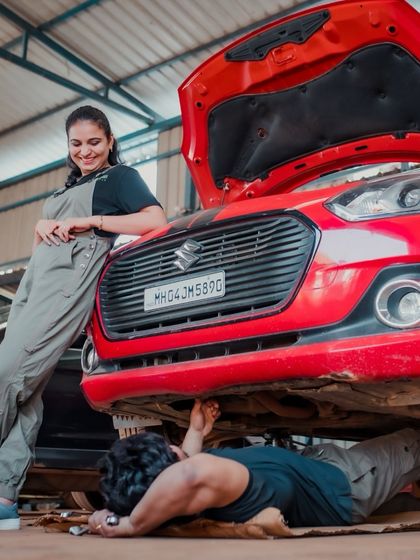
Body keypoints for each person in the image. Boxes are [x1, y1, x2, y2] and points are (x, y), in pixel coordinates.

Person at [0, 105, 167, 530]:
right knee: (28, 393)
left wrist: (92, 221)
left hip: (64, 291)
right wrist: (43, 226)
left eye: (94, 142)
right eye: (77, 144)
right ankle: (3, 496)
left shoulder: (119, 178)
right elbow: (51, 240)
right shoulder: (65, 188)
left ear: (109, 140)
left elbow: (155, 219)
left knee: (7, 376)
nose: (85, 151)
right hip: (34, 287)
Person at [88, 399, 420, 538]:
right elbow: (186, 474)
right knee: (415, 440)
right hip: (348, 482)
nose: (175, 449)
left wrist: (197, 432)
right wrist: (130, 524)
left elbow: (183, 470)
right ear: (167, 470)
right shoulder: (195, 478)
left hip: (322, 469)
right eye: (169, 450)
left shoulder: (194, 494)